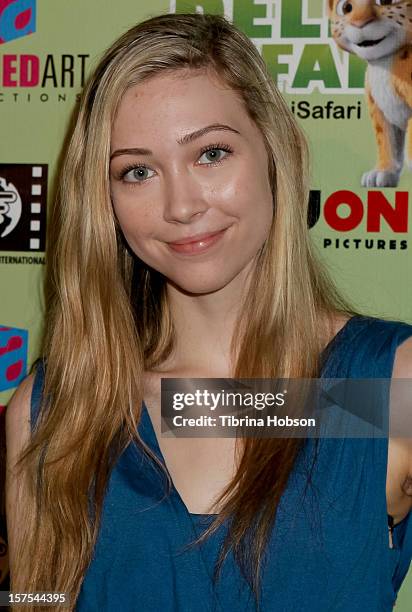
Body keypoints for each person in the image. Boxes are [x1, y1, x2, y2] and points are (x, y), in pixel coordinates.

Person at [5, 11, 412, 612]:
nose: (181, 205)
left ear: (276, 151)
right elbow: (34, 596)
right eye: (137, 171)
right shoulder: (55, 409)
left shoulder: (388, 388)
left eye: (211, 153)